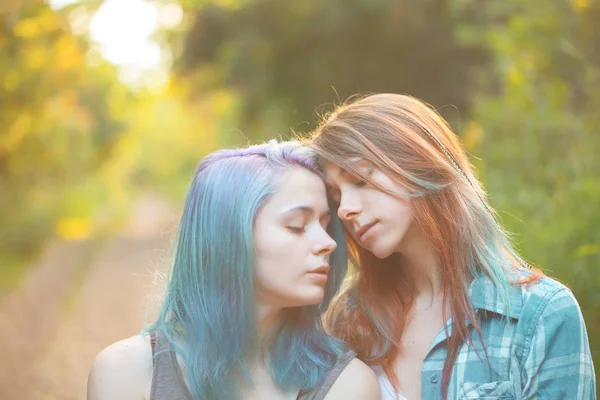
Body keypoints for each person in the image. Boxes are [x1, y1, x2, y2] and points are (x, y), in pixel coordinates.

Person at [306, 94, 596, 399]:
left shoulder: (541, 315)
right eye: (336, 197)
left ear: (420, 161)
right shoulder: (347, 317)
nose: (345, 210)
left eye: (360, 180)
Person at [87, 141, 380, 400]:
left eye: (326, 226)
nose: (327, 243)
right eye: (297, 226)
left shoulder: (347, 385)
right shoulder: (124, 374)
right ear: (226, 238)